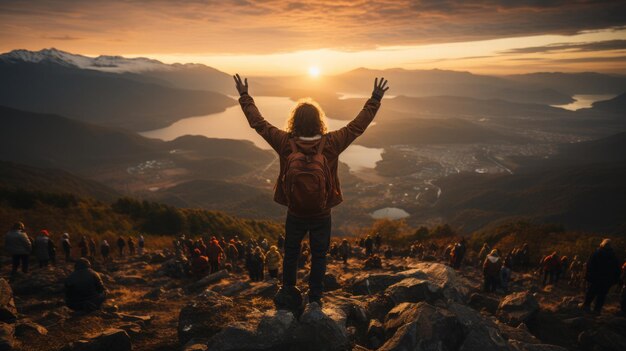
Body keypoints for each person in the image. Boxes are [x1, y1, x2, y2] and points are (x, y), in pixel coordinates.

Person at [234, 73, 387, 306]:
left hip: (295, 211)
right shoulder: (332, 143)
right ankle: (315, 298)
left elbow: (259, 124)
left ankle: (288, 293)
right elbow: (358, 126)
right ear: (319, 121)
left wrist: (244, 96)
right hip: (322, 212)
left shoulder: (286, 143)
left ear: (294, 121)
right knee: (319, 256)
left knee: (292, 253)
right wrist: (375, 98)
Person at [582, 239, 620, 314]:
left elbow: (589, 265)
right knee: (602, 295)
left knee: (591, 292)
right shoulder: (614, 256)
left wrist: (587, 276)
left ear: (602, 244)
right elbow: (617, 270)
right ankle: (597, 310)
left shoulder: (596, 253)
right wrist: (614, 280)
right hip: (607, 280)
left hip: (595, 278)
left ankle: (586, 306)